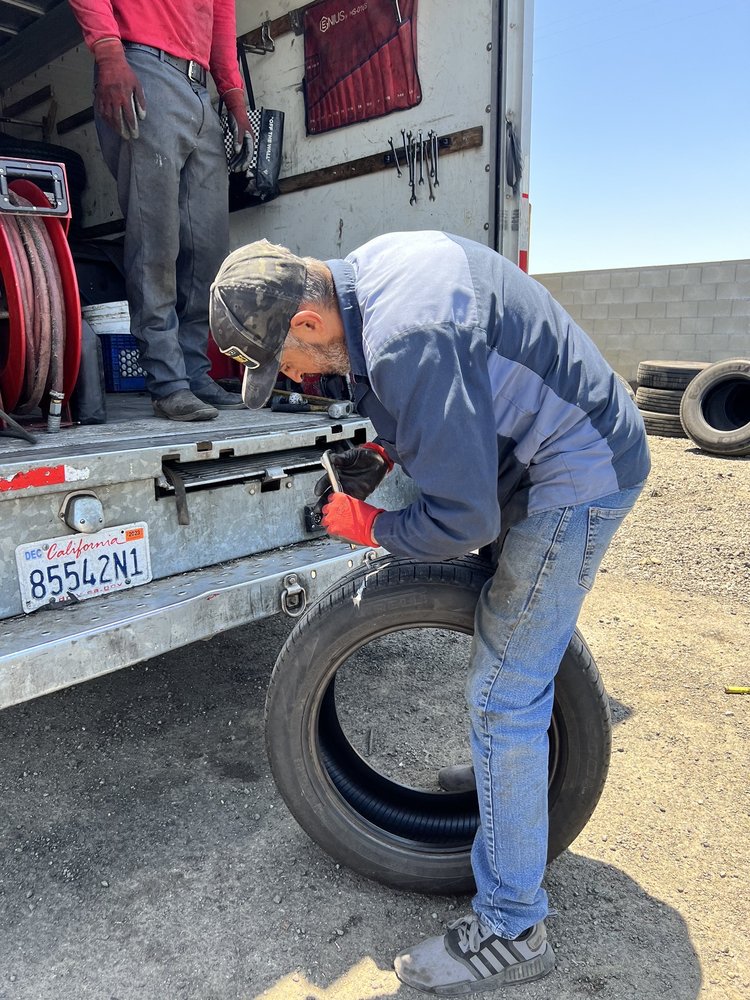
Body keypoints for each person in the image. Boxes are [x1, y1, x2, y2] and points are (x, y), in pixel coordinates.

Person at [209, 233, 651, 995]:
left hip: (576, 474)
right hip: (541, 453)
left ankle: (514, 928)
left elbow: (466, 518)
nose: (290, 378)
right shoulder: (376, 273)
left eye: (282, 361)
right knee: (499, 649)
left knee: (504, 692)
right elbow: (456, 389)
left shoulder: (405, 337)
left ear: (308, 324)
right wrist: (389, 449)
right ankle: (499, 784)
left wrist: (369, 525)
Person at [68, 0, 251, 421]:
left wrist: (233, 91)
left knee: (207, 249)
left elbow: (220, 18)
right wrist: (109, 52)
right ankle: (168, 382)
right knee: (156, 241)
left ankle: (193, 371)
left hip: (198, 89)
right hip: (143, 65)